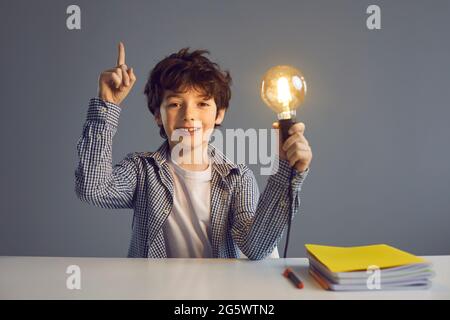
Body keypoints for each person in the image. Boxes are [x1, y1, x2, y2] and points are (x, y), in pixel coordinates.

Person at [75, 42, 312, 259]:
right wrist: (107, 105)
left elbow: (256, 247)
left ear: (219, 114)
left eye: (202, 104)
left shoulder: (238, 179)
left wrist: (285, 172)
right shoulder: (142, 170)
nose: (188, 115)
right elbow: (93, 189)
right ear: (158, 114)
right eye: (175, 104)